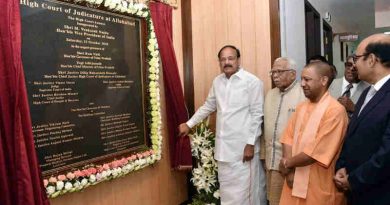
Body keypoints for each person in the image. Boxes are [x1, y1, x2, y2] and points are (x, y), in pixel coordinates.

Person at [178, 45, 267, 205]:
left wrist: (250, 143)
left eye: (230, 58)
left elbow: (257, 115)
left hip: (243, 151)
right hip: (223, 151)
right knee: (227, 195)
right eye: (223, 59)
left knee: (246, 195)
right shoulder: (217, 82)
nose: (227, 62)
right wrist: (189, 124)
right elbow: (208, 106)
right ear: (219, 62)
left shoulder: (252, 82)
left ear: (238, 60)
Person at [278, 62, 348, 205]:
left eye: (307, 79)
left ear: (323, 80)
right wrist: (290, 172)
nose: (302, 84)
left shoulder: (335, 111)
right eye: (302, 79)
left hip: (318, 185)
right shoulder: (301, 107)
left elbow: (318, 151)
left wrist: (287, 163)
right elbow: (288, 138)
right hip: (293, 180)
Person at [334, 34, 390, 205]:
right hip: (356, 191)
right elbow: (353, 134)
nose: (354, 64)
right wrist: (342, 166)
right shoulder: (367, 92)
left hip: (379, 193)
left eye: (357, 58)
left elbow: (387, 153)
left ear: (372, 59)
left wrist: (354, 180)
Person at [263, 57, 305, 205]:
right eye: (273, 72)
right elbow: (265, 128)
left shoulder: (303, 95)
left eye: (279, 71)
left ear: (293, 74)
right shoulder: (270, 94)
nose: (275, 76)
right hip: (271, 162)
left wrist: (292, 166)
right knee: (273, 200)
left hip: (293, 164)